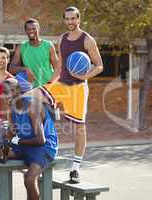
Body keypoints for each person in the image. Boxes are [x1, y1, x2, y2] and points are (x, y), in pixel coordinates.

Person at [35, 6, 104, 183]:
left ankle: (75, 168)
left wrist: (85, 75)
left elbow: (99, 65)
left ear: (79, 19)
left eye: (73, 18)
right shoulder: (62, 39)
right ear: (64, 20)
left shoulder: (87, 40)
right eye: (67, 19)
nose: (70, 22)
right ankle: (44, 148)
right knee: (32, 97)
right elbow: (59, 67)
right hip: (61, 84)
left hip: (78, 88)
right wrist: (49, 83)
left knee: (79, 128)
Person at [0, 78, 59, 200]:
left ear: (19, 90)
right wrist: (5, 144)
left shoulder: (32, 107)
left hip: (44, 147)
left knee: (29, 179)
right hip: (25, 145)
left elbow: (40, 140)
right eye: (5, 92)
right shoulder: (12, 109)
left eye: (10, 91)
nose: (7, 95)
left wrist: (16, 141)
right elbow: (10, 134)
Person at [9, 18, 58, 87]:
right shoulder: (22, 47)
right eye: (29, 29)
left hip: (47, 87)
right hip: (31, 90)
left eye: (34, 28)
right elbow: (11, 69)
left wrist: (51, 83)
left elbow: (57, 69)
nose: (31, 31)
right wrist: (26, 69)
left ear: (38, 29)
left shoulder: (48, 45)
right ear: (26, 31)